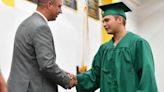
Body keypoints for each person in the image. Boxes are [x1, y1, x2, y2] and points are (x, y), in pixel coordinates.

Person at [76, 2, 158, 92]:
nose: (103, 24)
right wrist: (75, 80)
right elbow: (95, 76)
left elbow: (147, 79)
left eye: (107, 20)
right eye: (103, 21)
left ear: (119, 19)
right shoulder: (104, 49)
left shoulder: (138, 44)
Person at [7, 0, 77, 92]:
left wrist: (62, 73)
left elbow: (32, 62)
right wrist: (67, 80)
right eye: (59, 6)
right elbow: (47, 65)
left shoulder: (25, 23)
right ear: (49, 5)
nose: (61, 11)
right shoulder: (41, 27)